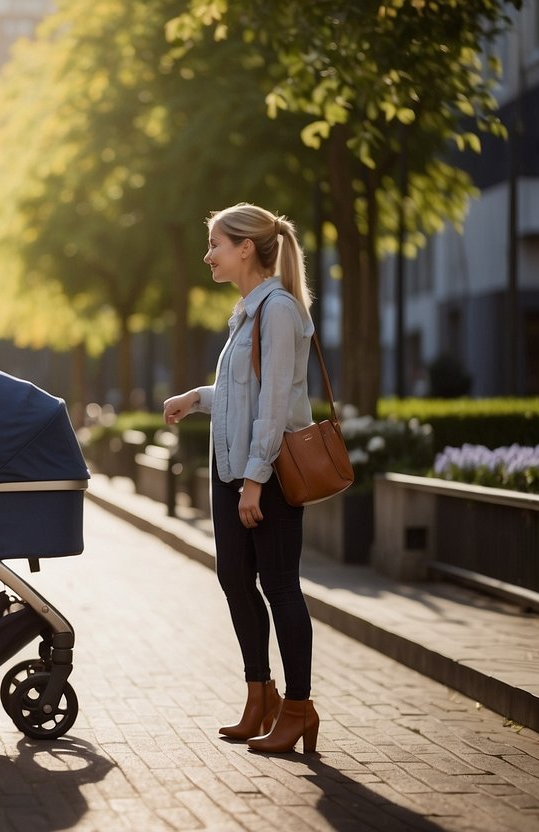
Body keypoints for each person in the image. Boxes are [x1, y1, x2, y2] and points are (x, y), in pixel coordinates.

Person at [162, 203, 320, 754]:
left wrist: (255, 480)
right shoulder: (248, 312)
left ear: (246, 247)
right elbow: (242, 396)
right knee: (235, 579)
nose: (209, 255)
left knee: (280, 587)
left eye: (216, 245)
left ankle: (298, 707)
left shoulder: (277, 310)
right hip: (234, 471)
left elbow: (276, 403)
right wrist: (197, 398)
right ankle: (261, 696)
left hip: (267, 473)